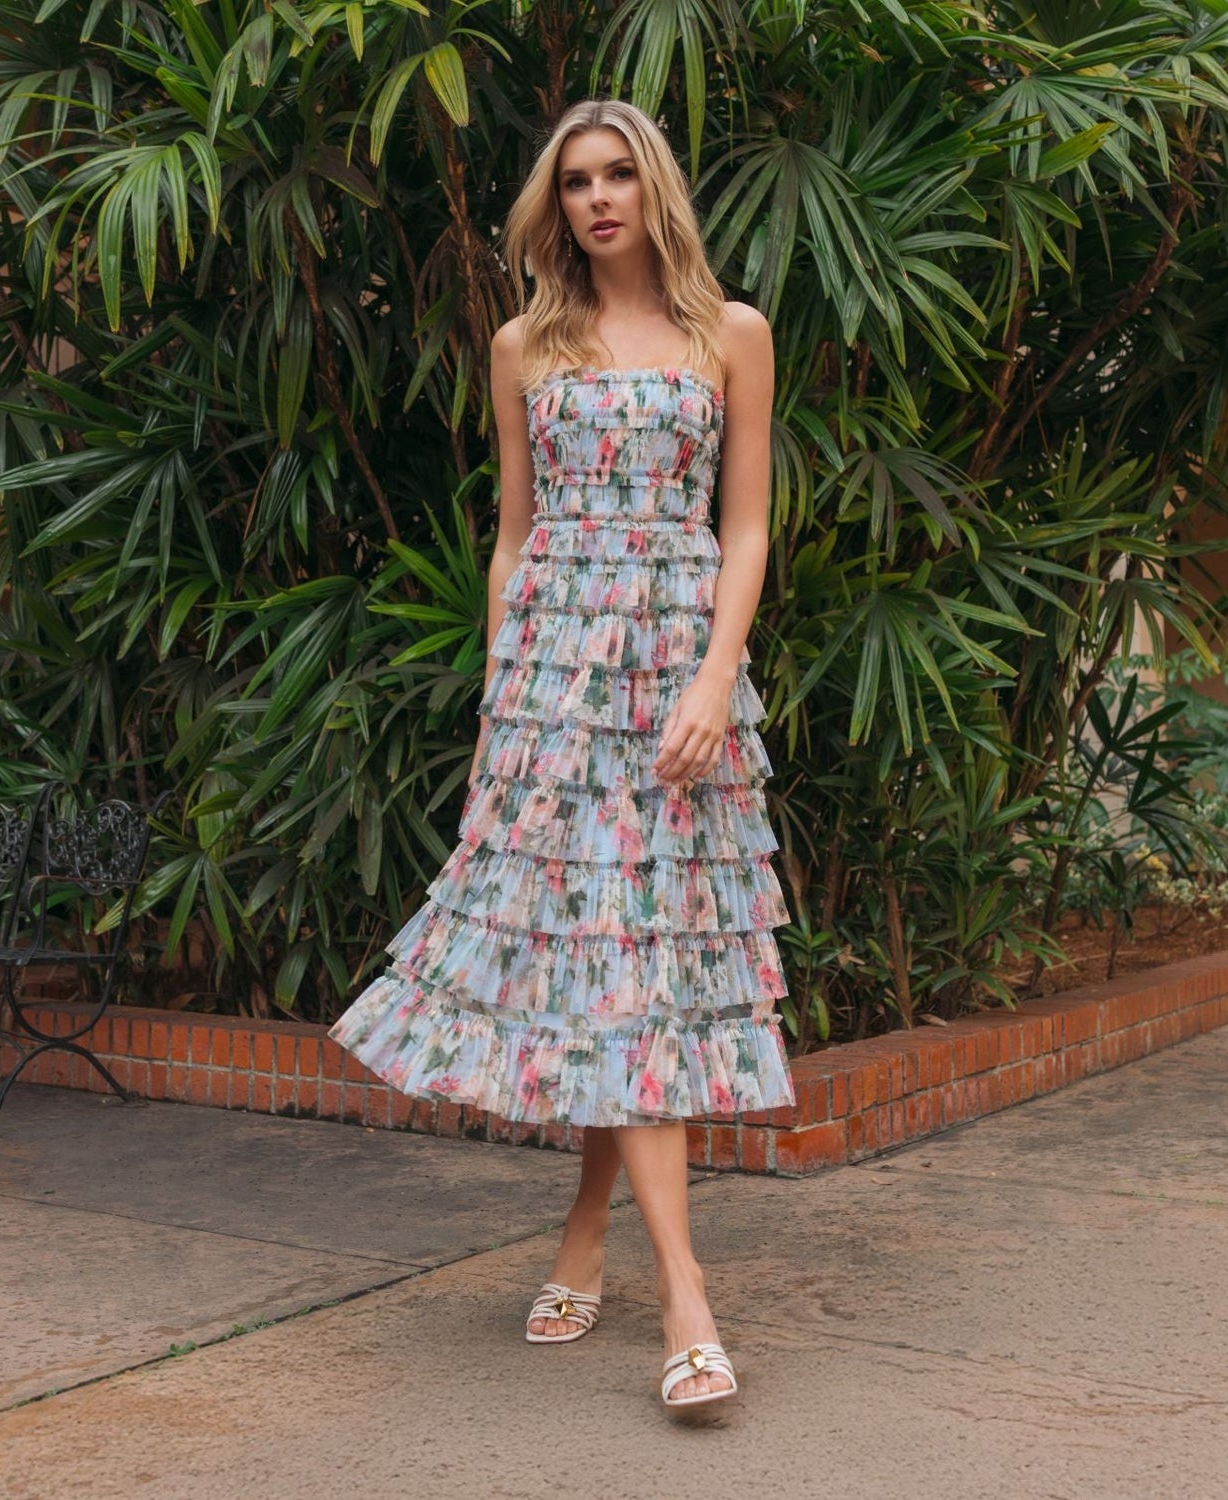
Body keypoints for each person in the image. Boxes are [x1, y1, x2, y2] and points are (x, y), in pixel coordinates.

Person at [328, 97, 795, 1414]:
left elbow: (746, 526)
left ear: (656, 195)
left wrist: (716, 674)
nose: (598, 200)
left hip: (677, 687)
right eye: (578, 181)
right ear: (558, 205)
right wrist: (504, 704)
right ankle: (680, 1295)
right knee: (611, 965)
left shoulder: (732, 336)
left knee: (637, 966)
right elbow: (513, 540)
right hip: (554, 690)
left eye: (620, 177)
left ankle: (612, 1248)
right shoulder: (527, 345)